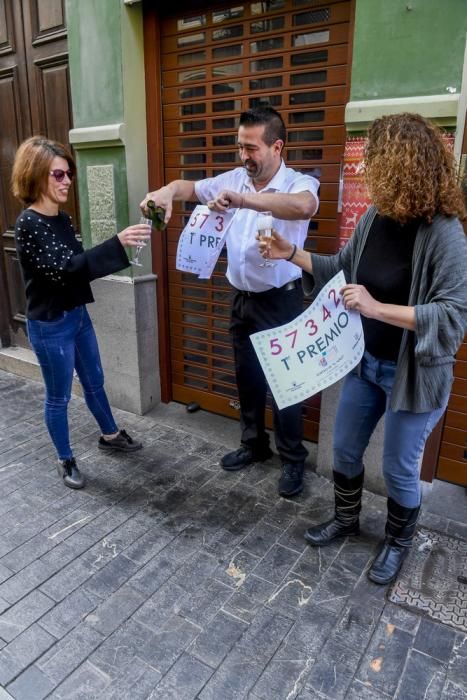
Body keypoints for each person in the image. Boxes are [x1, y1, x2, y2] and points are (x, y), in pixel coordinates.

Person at [258, 112, 467, 583]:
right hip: (366, 364)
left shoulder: (444, 232)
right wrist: (289, 253)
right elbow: (340, 267)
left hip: (413, 373)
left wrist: (376, 308)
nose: (363, 168)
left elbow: (453, 316)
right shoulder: (375, 217)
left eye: (372, 158)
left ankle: (398, 541)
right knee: (345, 451)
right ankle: (347, 520)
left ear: (401, 164)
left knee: (398, 467)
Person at [141, 107, 319, 497]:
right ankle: (253, 445)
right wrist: (166, 192)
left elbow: (304, 207)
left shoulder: (298, 182)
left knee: (287, 384)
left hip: (282, 302)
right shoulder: (236, 178)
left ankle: (292, 460)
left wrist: (244, 200)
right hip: (242, 299)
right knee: (248, 377)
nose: (244, 157)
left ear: (277, 146)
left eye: (251, 148)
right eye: (240, 147)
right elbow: (189, 188)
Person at [12, 136, 152, 490]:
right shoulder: (29, 224)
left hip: (76, 316)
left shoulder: (61, 217)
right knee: (58, 396)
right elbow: (65, 270)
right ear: (36, 175)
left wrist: (116, 250)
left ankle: (109, 435)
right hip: (50, 326)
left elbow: (77, 267)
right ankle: (65, 458)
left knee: (94, 382)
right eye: (58, 175)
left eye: (68, 174)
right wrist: (116, 245)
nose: (67, 181)